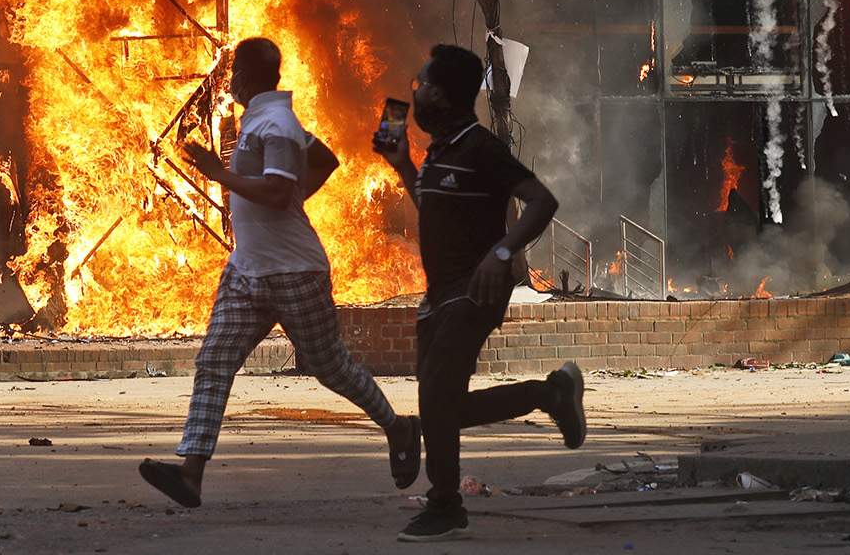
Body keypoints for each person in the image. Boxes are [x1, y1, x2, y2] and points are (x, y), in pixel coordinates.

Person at [139, 38, 421, 508]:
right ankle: (191, 473)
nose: (228, 82)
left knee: (331, 367)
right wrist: (294, 198)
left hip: (294, 271)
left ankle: (399, 427)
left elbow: (272, 192)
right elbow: (325, 160)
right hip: (248, 269)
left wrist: (218, 173)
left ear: (247, 78)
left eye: (233, 74)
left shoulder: (277, 125)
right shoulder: (264, 120)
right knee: (214, 360)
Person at [375, 43, 588, 543]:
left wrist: (502, 252)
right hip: (440, 294)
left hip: (475, 290)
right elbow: (434, 209)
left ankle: (445, 504)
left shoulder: (481, 148)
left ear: (445, 95)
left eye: (423, 85)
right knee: (441, 409)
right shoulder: (441, 152)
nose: (416, 92)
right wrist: (404, 165)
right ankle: (551, 393)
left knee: (435, 398)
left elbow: (541, 200)